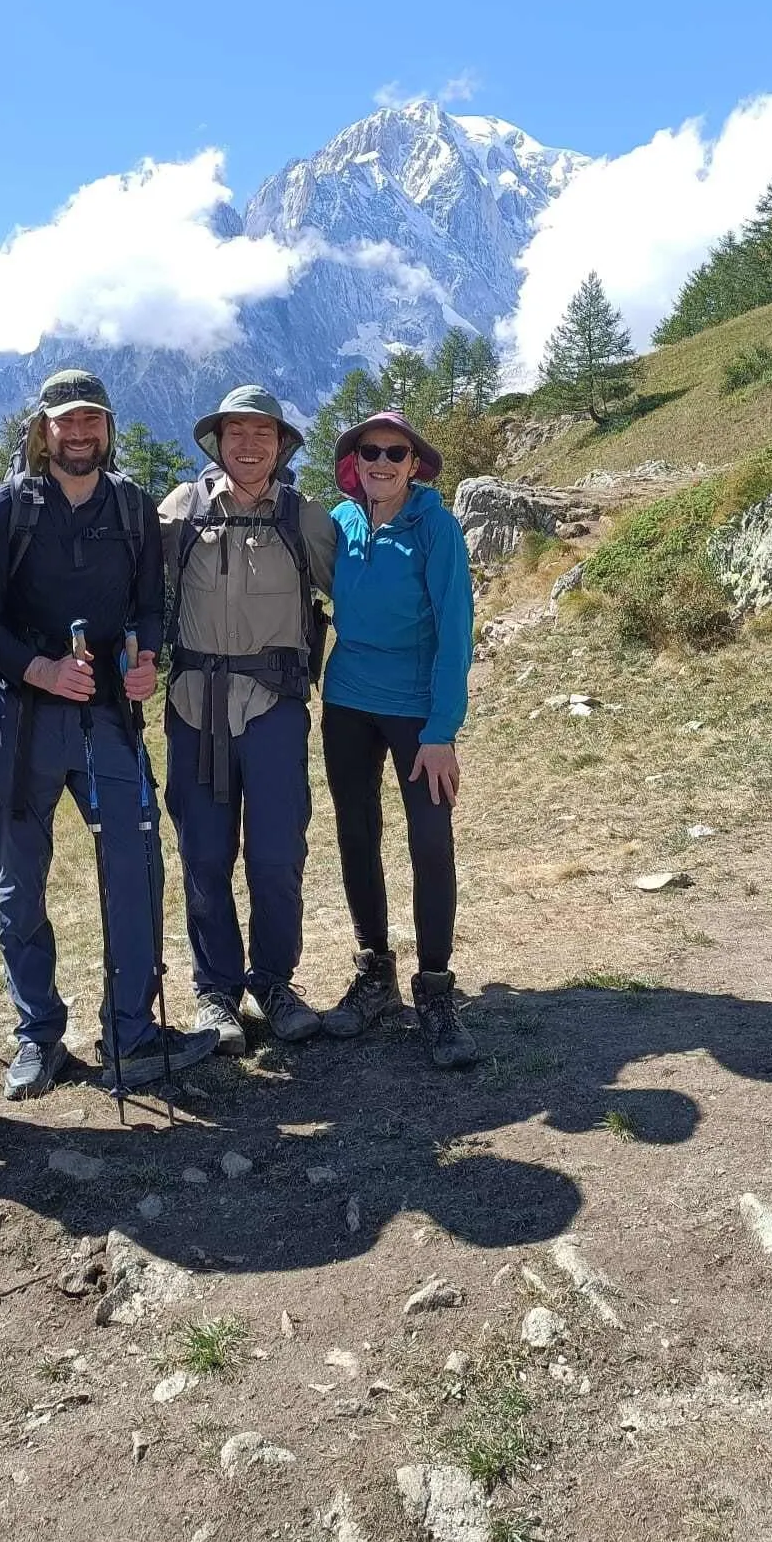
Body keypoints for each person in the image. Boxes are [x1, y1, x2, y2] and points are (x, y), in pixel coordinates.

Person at [0, 370, 216, 1100]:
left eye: (92, 422)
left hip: (108, 714)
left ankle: (132, 1031)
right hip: (20, 722)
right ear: (42, 430)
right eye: (65, 423)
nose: (79, 435)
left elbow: (148, 606)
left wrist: (144, 660)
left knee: (137, 866)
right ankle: (37, 1036)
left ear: (107, 427)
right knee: (21, 884)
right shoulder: (7, 508)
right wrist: (39, 670)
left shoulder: (133, 507)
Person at [158, 386, 337, 1052]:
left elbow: (355, 591)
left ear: (282, 443)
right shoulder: (182, 510)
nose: (249, 444)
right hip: (193, 707)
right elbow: (127, 580)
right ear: (218, 441)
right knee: (203, 854)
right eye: (236, 432)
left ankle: (275, 984)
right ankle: (216, 994)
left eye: (262, 432)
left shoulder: (305, 518)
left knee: (276, 854)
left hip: (275, 709)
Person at [319, 411, 478, 1069]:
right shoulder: (340, 522)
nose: (381, 462)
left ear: (415, 465)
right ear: (353, 462)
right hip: (346, 701)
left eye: (396, 453)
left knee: (430, 843)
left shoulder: (435, 528)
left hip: (416, 711)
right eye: (370, 452)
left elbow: (455, 632)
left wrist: (441, 732)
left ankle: (435, 989)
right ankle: (376, 975)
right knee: (356, 834)